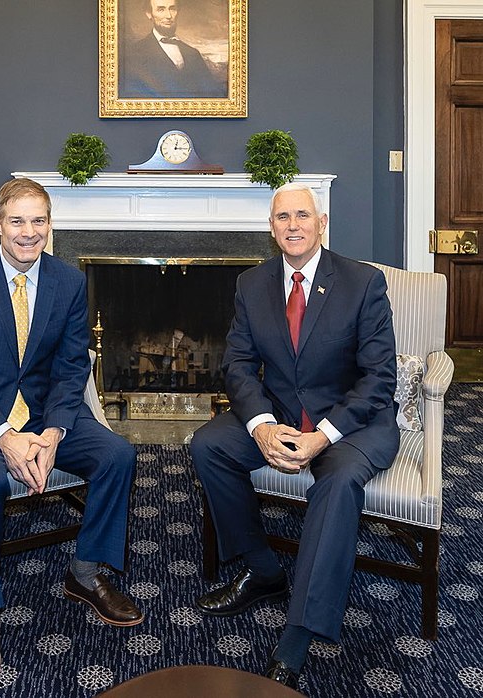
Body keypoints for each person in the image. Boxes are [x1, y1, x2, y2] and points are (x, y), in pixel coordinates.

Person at [0, 178, 143, 683]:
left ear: (50, 225)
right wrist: (4, 434)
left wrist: (56, 433)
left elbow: (70, 367)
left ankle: (85, 574)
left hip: (46, 413)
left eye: (38, 221)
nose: (28, 233)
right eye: (17, 221)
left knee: (117, 456)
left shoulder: (68, 281)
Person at [190, 183, 400, 689]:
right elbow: (237, 364)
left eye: (302, 215)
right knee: (208, 445)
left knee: (339, 480)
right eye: (282, 217)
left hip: (352, 424)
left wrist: (323, 436)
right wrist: (261, 424)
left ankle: (299, 631)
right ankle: (263, 569)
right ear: (271, 227)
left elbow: (378, 379)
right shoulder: (251, 283)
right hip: (281, 415)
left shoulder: (362, 282)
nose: (293, 225)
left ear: (321, 222)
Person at [121, 0, 226, 99]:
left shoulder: (193, 53)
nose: (169, 16)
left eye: (172, 8)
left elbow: (212, 93)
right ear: (149, 14)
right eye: (161, 9)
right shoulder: (134, 54)